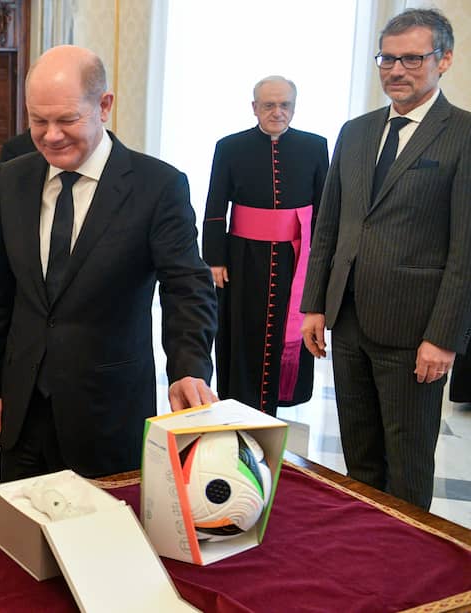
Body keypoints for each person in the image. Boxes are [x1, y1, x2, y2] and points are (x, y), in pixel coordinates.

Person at [0, 45, 218, 482]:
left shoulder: (157, 186)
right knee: (21, 538)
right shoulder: (12, 178)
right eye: (38, 120)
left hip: (107, 412)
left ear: (104, 105)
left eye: (67, 120)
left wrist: (188, 367)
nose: (50, 135)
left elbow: (186, 286)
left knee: (105, 538)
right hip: (23, 407)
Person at [301, 8, 471, 510]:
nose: (396, 70)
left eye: (412, 59)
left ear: (444, 61)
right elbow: (329, 227)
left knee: (408, 462)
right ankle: (367, 553)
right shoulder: (355, 131)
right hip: (348, 321)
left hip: (415, 330)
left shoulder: (462, 134)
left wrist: (443, 337)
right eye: (387, 59)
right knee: (361, 459)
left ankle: (410, 567)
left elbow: (465, 251)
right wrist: (314, 305)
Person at [202, 76, 328, 416]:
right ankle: (239, 401)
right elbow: (215, 207)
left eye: (284, 104)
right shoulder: (230, 147)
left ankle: (282, 399)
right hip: (243, 257)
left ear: (294, 107)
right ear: (254, 107)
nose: (277, 112)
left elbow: (325, 211)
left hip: (295, 257)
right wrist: (214, 258)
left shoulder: (315, 146)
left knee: (287, 329)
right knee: (243, 330)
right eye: (269, 105)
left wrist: (320, 265)